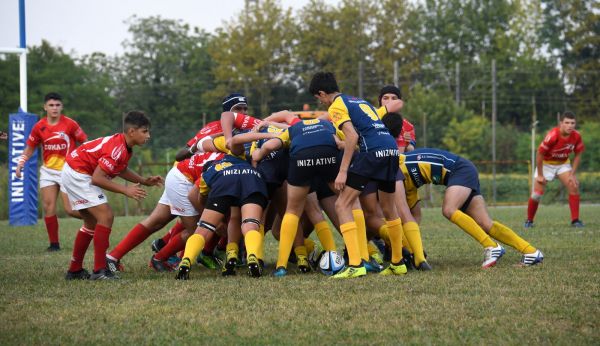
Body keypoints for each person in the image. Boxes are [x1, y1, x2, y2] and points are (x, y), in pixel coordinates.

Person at [309, 71, 406, 279]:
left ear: (322, 93)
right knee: (389, 209)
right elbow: (365, 133)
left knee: (341, 205)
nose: (321, 103)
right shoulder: (357, 100)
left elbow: (352, 136)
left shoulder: (336, 106)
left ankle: (355, 264)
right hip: (390, 149)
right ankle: (398, 263)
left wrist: (342, 171)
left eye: (319, 99)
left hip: (372, 154)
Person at [400, 147, 544, 267]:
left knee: (449, 209)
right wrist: (412, 248)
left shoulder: (396, 166)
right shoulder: (404, 185)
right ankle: (531, 252)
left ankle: (491, 246)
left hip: (459, 170)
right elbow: (413, 218)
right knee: (486, 224)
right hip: (463, 171)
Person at [62, 111, 164, 280]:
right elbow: (97, 178)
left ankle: (75, 270)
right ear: (132, 131)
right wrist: (126, 190)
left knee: (91, 222)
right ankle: (100, 270)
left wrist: (144, 181)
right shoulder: (117, 148)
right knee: (106, 216)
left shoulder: (124, 146)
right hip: (78, 172)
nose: (148, 136)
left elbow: (120, 168)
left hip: (74, 169)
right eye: (145, 131)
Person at [176, 154, 269, 280]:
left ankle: (186, 260)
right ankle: (252, 255)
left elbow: (201, 198)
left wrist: (211, 213)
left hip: (223, 183)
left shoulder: (209, 171)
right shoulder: (241, 160)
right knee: (250, 225)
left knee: (203, 230)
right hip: (251, 179)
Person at [16, 92, 88, 251]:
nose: (54, 108)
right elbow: (29, 149)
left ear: (61, 106)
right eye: (51, 105)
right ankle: (54, 245)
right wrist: (20, 164)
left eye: (57, 105)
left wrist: (85, 162)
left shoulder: (70, 124)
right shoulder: (39, 126)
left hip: (68, 170)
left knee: (70, 209)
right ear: (45, 107)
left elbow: (85, 143)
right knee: (48, 207)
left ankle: (96, 220)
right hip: (48, 171)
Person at [525, 111, 585, 228]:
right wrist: (541, 175)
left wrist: (572, 174)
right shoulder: (553, 135)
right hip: (546, 164)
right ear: (561, 123)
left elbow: (578, 155)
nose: (570, 126)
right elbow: (539, 154)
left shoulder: (576, 136)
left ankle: (575, 220)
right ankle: (529, 221)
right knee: (536, 195)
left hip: (563, 164)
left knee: (573, 186)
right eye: (567, 123)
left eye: (572, 123)